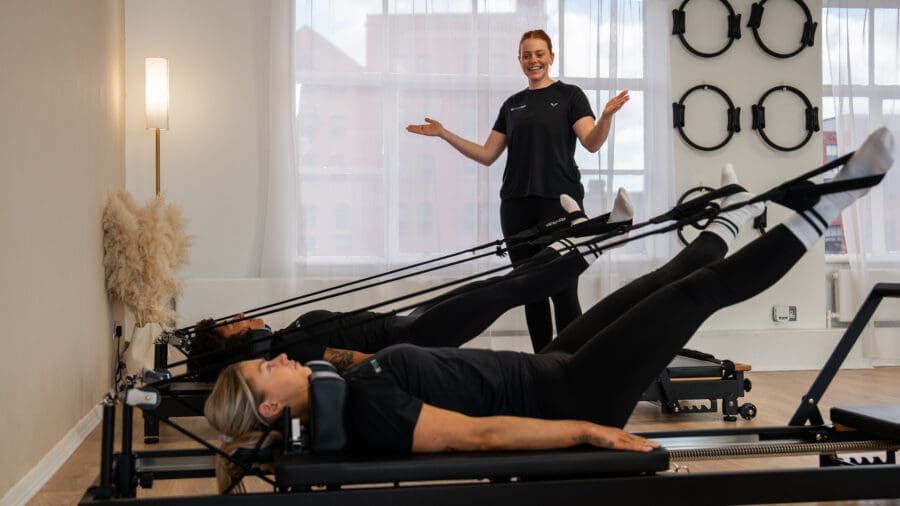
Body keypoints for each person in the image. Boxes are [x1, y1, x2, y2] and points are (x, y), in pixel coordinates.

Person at [204, 127, 896, 494]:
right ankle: (836, 200)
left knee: (661, 283)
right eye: (269, 371)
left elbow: (355, 365)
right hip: (572, 395)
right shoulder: (366, 412)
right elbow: (480, 440)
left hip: (550, 367)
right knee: (692, 298)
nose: (278, 357)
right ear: (270, 408)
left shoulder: (336, 389)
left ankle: (727, 221)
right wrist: (587, 434)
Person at [187, 189, 636, 379]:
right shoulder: (293, 353)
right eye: (234, 325)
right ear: (237, 344)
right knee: (509, 290)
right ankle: (603, 238)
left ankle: (582, 232)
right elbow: (365, 362)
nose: (242, 317)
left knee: (506, 282)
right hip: (417, 336)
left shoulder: (286, 339)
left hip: (411, 323)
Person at [407, 29, 631, 351]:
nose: (533, 60)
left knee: (563, 289)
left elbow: (592, 143)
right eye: (527, 55)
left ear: (551, 57)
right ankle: (541, 366)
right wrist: (445, 134)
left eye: (539, 54)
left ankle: (571, 365)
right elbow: (487, 155)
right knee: (530, 291)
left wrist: (606, 116)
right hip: (516, 206)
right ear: (520, 60)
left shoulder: (570, 96)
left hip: (560, 202)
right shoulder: (513, 104)